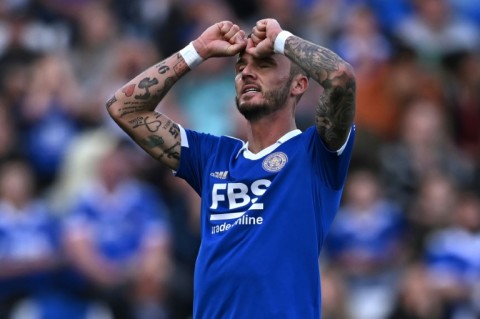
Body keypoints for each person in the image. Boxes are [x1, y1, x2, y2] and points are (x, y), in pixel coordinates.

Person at [107, 18, 356, 318]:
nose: (247, 73)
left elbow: (340, 77)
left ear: (298, 85)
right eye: (240, 68)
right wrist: (197, 50)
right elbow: (124, 108)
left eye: (263, 64)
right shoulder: (213, 155)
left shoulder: (315, 152)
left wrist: (281, 40)